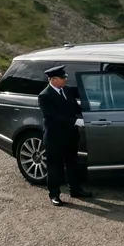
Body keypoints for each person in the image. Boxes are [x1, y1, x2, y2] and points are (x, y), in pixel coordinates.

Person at [38, 65, 92, 206]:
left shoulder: (66, 90)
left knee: (72, 164)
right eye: (62, 78)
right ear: (53, 79)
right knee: (54, 167)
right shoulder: (45, 95)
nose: (65, 80)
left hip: (70, 136)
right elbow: (52, 117)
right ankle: (54, 195)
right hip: (55, 138)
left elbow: (74, 107)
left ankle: (75, 189)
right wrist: (75, 121)